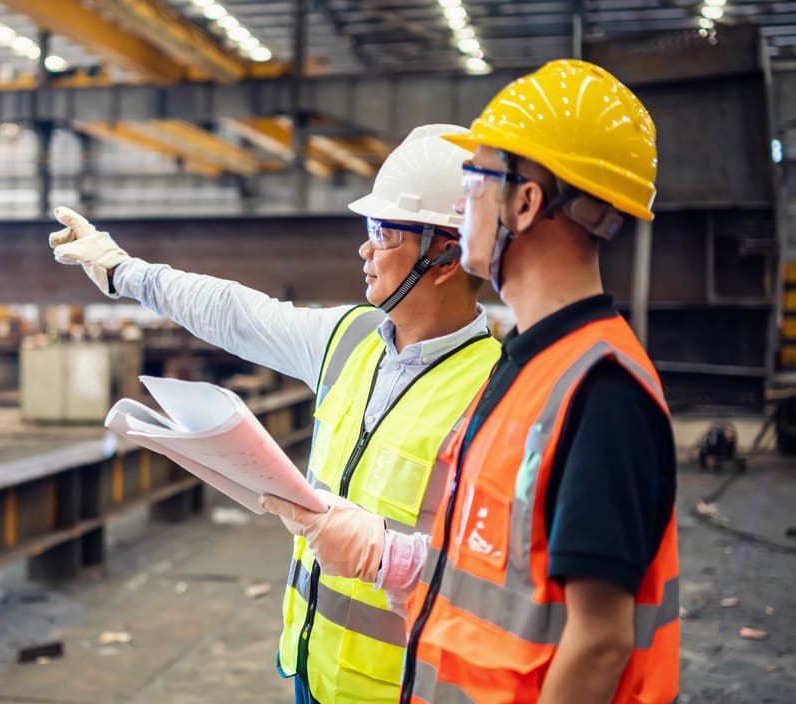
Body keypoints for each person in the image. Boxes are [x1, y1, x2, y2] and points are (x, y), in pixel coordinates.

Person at [263, 59, 680, 703]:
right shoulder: (525, 364)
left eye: (477, 178)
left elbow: (599, 642)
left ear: (526, 200)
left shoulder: (602, 392)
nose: (461, 204)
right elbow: (498, 578)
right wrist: (388, 556)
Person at [49, 124, 501, 703]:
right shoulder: (348, 338)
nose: (364, 249)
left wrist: (387, 553)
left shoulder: (496, 391)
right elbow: (237, 313)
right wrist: (122, 271)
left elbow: (497, 577)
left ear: (444, 256)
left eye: (383, 233)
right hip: (310, 672)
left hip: (403, 690)